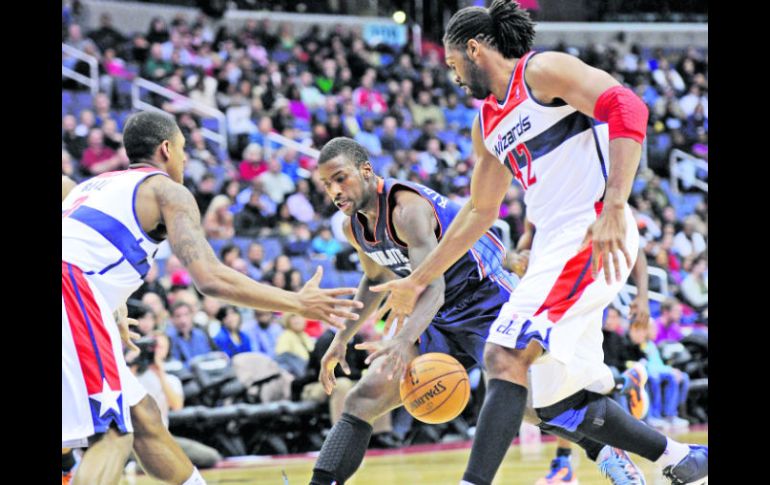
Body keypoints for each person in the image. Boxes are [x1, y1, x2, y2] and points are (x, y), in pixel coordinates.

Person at [368, 3, 707, 485]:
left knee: (503, 353)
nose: (453, 78)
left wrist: (614, 206)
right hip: (554, 248)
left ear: (473, 49)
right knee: (553, 404)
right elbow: (479, 212)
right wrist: (417, 278)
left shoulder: (540, 71)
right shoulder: (487, 122)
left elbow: (627, 106)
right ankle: (681, 458)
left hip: (591, 232)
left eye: (451, 65)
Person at [307, 138, 646, 485]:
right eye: (326, 184)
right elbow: (376, 277)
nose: (334, 191)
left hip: (485, 302)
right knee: (364, 397)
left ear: (365, 171)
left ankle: (607, 450)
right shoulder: (354, 226)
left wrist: (402, 339)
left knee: (531, 406)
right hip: (437, 319)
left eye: (340, 178)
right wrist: (340, 339)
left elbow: (434, 288)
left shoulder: (406, 209)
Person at [62, 111, 362, 485]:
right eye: (184, 149)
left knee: (143, 415)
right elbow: (210, 279)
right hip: (74, 293)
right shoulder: (167, 190)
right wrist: (297, 302)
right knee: (111, 435)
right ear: (167, 148)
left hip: (81, 295)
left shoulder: (93, 187)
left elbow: (80, 235)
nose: (185, 159)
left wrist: (115, 307)